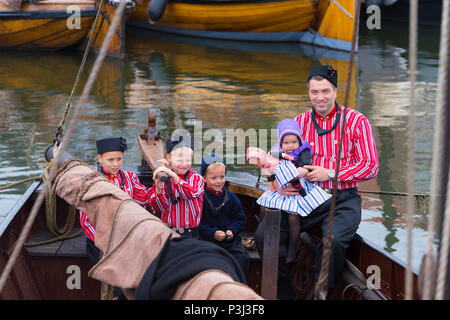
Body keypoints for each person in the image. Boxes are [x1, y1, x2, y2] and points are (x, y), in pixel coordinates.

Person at [254, 64, 379, 299]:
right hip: (302, 196)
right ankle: (284, 293)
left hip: (341, 200)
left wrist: (330, 173)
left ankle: (319, 295)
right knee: (264, 236)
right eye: (314, 92)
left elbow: (370, 166)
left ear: (335, 91)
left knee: (333, 243)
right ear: (308, 92)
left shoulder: (356, 121)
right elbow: (278, 159)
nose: (319, 97)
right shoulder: (298, 123)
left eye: (325, 91)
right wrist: (278, 183)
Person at [250, 119, 331, 265]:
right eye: (286, 143)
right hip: (280, 186)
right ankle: (257, 237)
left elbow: (305, 168)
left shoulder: (303, 150)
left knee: (293, 217)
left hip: (298, 187)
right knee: (263, 206)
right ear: (281, 143)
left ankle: (292, 249)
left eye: (294, 141)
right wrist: (275, 180)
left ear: (299, 140)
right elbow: (269, 169)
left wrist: (295, 173)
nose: (290, 146)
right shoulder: (276, 152)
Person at [80, 136, 153, 266]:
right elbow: (86, 221)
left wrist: (158, 185)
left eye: (119, 159)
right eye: (110, 160)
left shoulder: (129, 178)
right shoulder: (92, 182)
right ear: (100, 158)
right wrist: (106, 242)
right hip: (99, 243)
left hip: (125, 237)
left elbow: (145, 198)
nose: (115, 164)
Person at [198, 154, 250, 275]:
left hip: (230, 242)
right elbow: (197, 224)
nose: (219, 181)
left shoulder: (231, 197)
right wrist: (213, 233)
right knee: (210, 261)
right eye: (214, 178)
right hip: (208, 241)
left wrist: (232, 230)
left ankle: (239, 286)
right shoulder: (200, 198)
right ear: (204, 178)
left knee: (242, 258)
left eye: (222, 177)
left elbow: (239, 219)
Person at [148, 135, 204, 239]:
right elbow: (159, 208)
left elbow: (190, 194)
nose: (184, 164)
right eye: (179, 160)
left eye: (188, 160)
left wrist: (173, 175)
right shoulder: (164, 178)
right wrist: (158, 189)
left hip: (192, 233)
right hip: (169, 231)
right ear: (169, 158)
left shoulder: (197, 179)